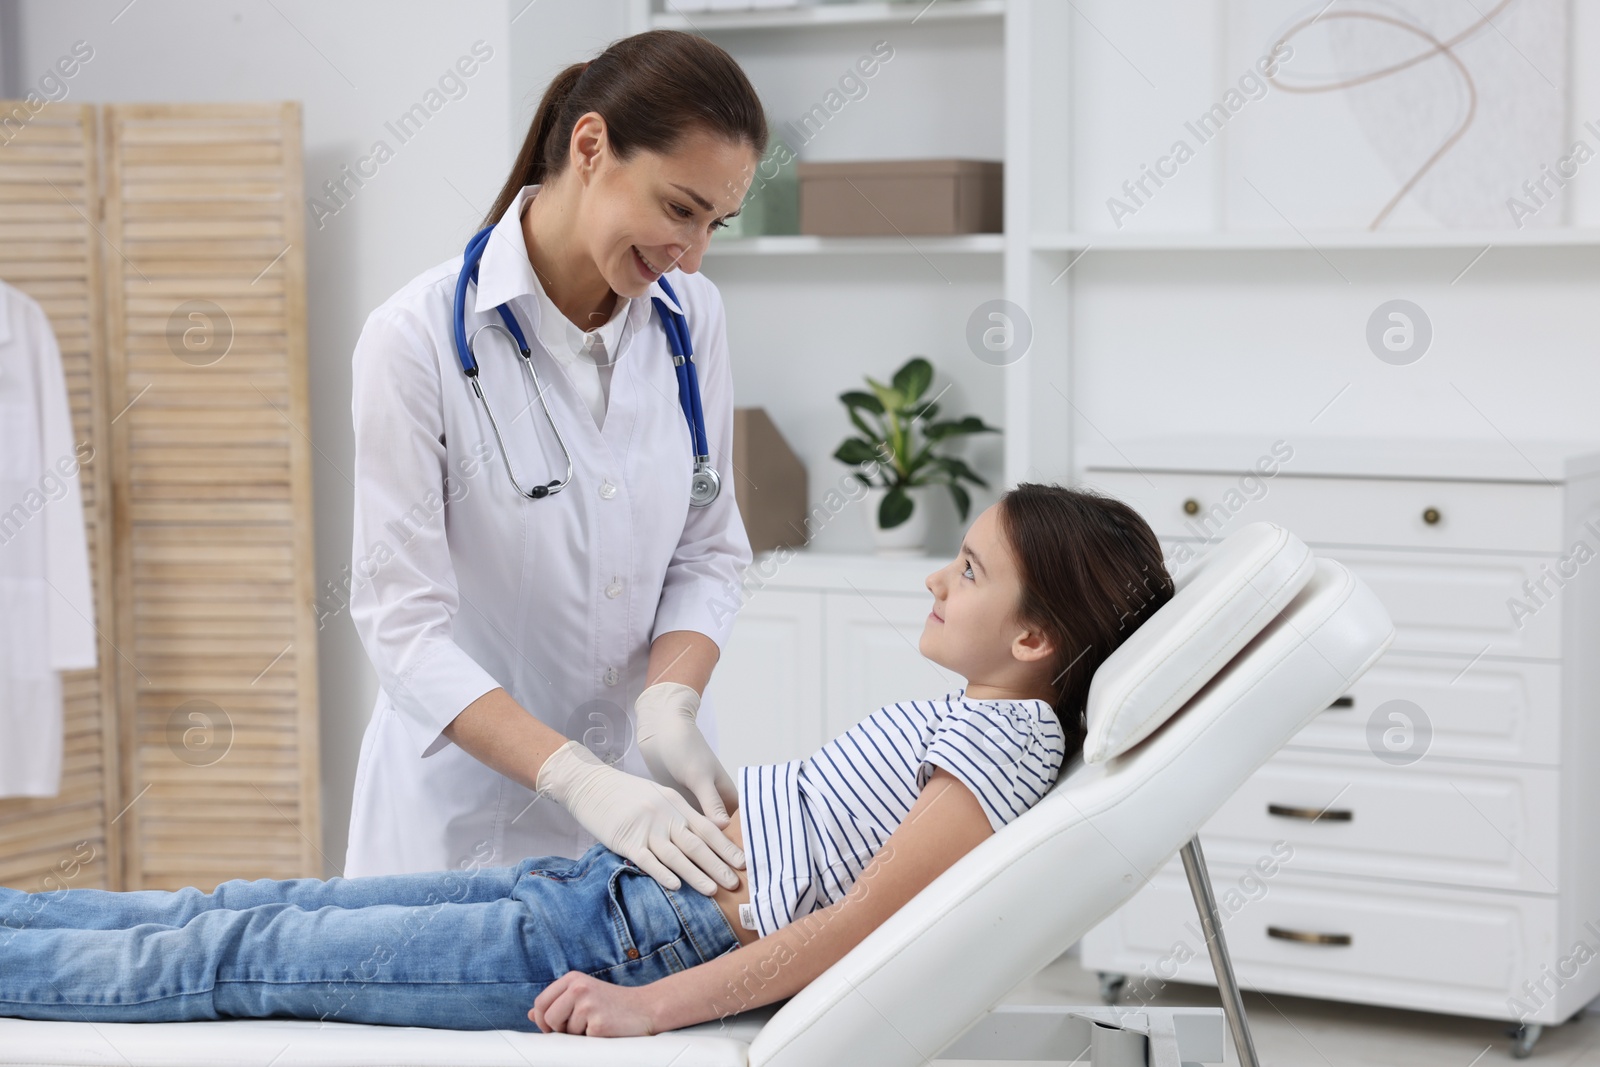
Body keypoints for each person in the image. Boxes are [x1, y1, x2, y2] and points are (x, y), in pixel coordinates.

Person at [0, 485, 1174, 1038]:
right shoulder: (995, 722)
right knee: (255, 904)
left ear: (1033, 638)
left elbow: (859, 922)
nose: (936, 577)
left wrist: (650, 1003)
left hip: (631, 936)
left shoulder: (1000, 738)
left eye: (967, 570)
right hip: (612, 885)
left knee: (244, 948)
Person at [343, 29, 769, 894]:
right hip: (463, 818)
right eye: (680, 208)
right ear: (590, 146)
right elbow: (404, 628)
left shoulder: (694, 319)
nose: (694, 252)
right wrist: (576, 776)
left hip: (652, 820)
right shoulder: (417, 340)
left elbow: (706, 547)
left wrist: (669, 699)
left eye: (716, 222)